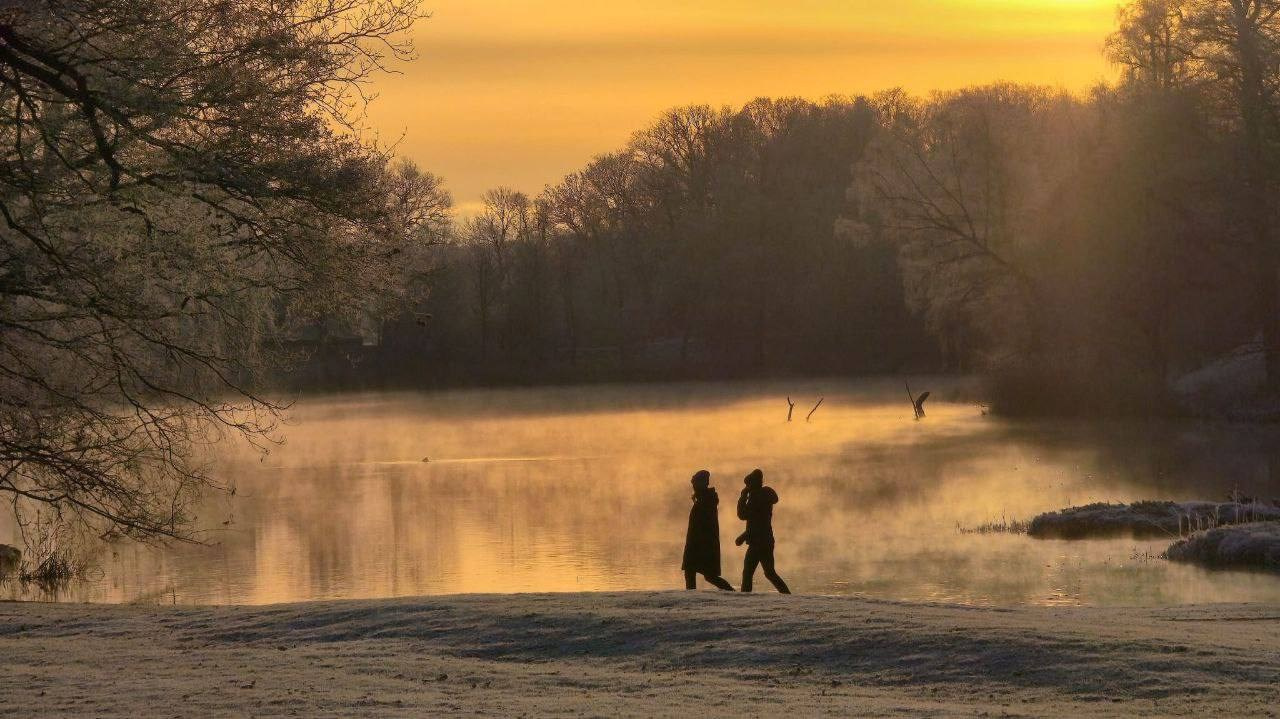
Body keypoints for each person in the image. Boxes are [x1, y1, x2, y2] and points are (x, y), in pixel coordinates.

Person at [734, 468, 791, 594]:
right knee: (770, 573)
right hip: (767, 540)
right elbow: (757, 522)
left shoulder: (756, 498)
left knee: (748, 572)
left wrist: (743, 497)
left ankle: (745, 597)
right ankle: (787, 595)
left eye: (748, 485)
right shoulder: (764, 495)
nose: (747, 488)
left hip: (757, 541)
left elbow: (743, 515)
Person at [681, 470, 735, 591]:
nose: (693, 486)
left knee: (707, 575)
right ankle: (692, 595)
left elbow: (704, 524)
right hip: (699, 543)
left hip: (703, 543)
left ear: (702, 483)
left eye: (695, 483)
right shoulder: (704, 499)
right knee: (696, 572)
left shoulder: (706, 500)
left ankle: (731, 592)